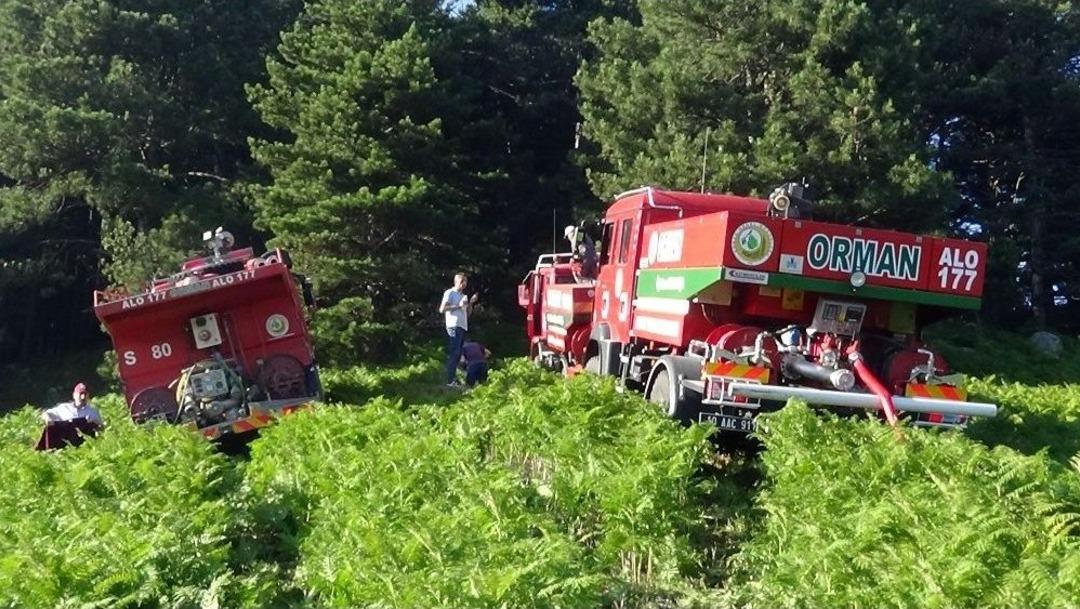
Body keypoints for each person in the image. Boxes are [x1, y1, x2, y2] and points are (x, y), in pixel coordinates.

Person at [439, 273, 477, 387]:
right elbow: (442, 309)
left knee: (458, 354)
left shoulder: (463, 296)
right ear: (456, 282)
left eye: (465, 282)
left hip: (462, 326)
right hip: (453, 325)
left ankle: (454, 379)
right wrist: (458, 306)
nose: (464, 284)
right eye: (462, 281)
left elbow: (467, 314)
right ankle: (450, 381)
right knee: (454, 353)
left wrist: (470, 303)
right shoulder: (450, 293)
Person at [40, 382, 104, 426]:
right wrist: (48, 419)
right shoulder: (64, 408)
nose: (83, 397)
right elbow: (45, 413)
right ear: (74, 395)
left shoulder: (93, 411)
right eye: (81, 394)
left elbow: (102, 428)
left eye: (85, 394)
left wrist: (94, 422)